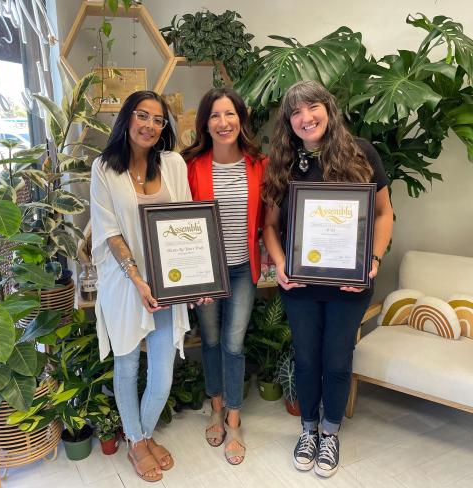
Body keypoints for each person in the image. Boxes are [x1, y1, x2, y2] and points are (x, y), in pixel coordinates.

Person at [261, 80, 394, 478]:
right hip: (299, 285)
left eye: (312, 107)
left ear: (328, 108)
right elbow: (270, 225)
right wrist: (281, 263)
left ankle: (330, 433)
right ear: (288, 121)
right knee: (306, 359)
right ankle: (308, 430)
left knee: (337, 361)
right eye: (295, 113)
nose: (305, 118)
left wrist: (372, 261)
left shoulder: (361, 153)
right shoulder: (282, 162)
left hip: (349, 284)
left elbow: (385, 214)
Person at [90, 90, 191, 482]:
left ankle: (145, 433)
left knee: (163, 370)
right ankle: (135, 441)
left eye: (158, 119)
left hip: (169, 282)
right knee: (128, 364)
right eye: (142, 115)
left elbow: (187, 224)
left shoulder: (174, 164)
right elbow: (110, 232)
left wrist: (195, 277)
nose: (149, 125)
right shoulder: (105, 168)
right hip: (125, 282)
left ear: (164, 127)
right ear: (128, 119)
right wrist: (137, 279)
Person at [182, 87, 267, 465]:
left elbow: (271, 219)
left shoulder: (259, 163)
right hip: (206, 272)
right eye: (214, 115)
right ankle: (215, 406)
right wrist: (188, 278)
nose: (222, 122)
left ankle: (234, 420)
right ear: (205, 123)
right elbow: (179, 224)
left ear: (240, 118)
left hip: (243, 269)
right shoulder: (191, 166)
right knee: (212, 340)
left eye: (229, 114)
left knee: (234, 343)